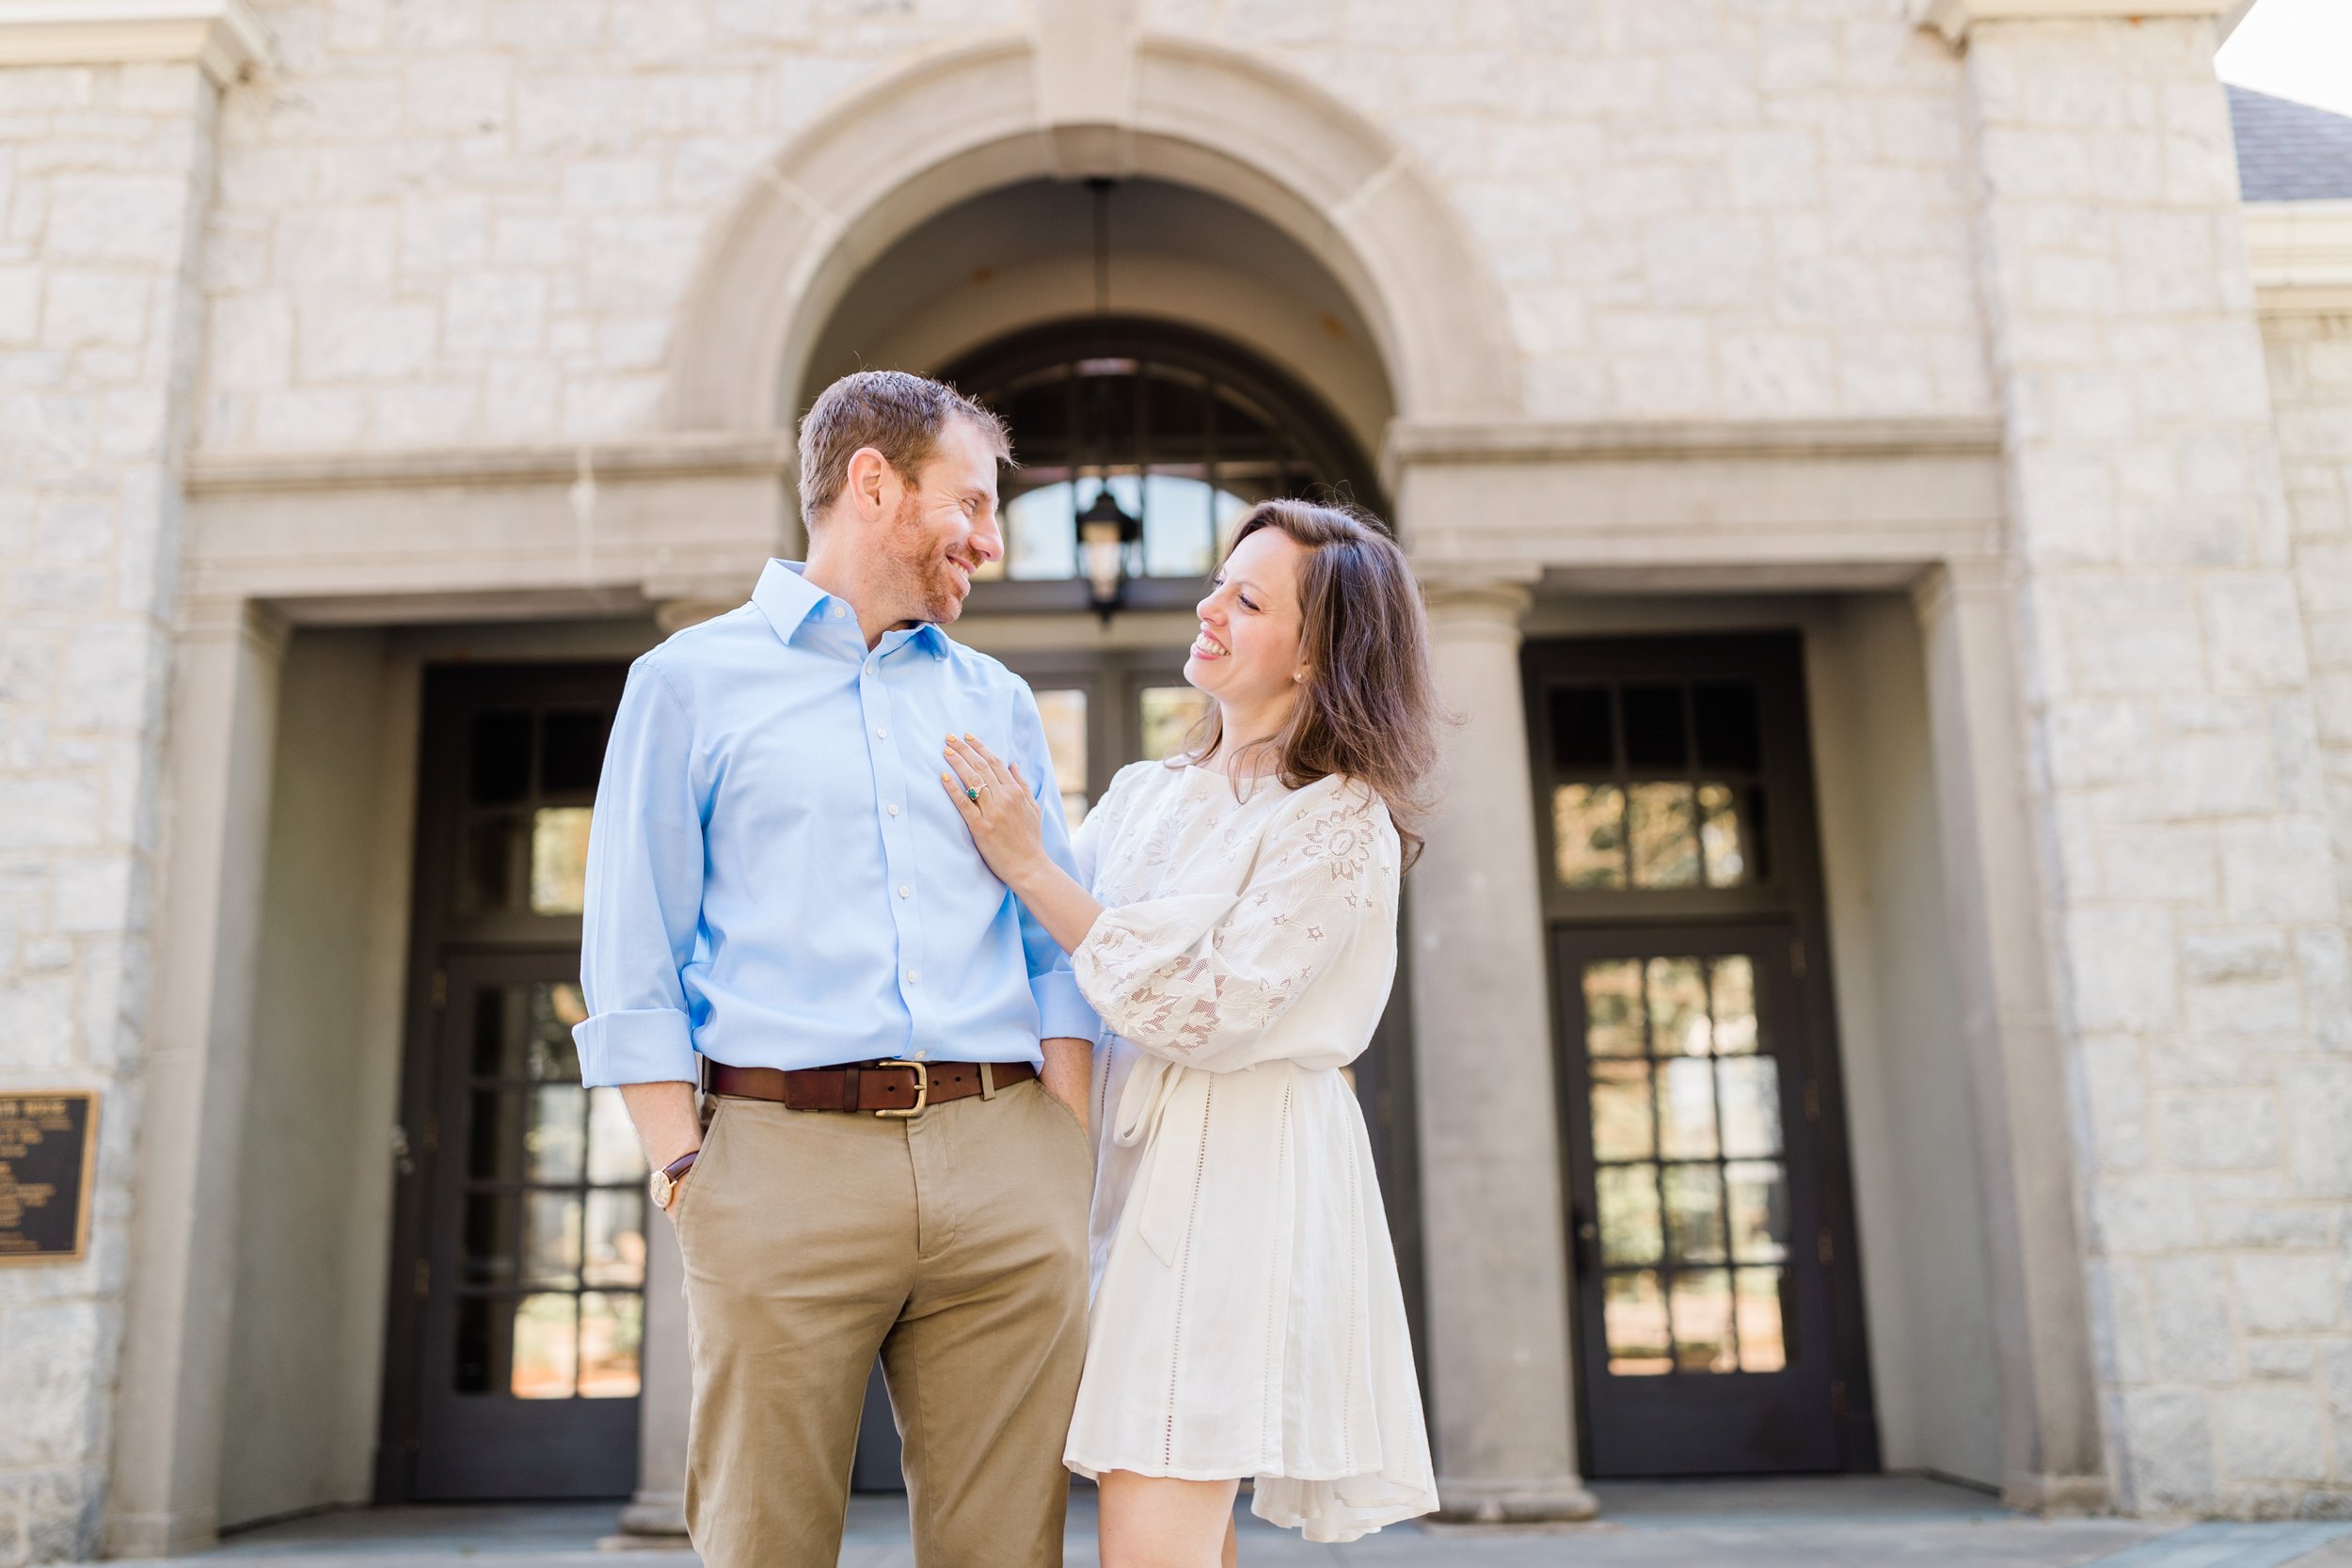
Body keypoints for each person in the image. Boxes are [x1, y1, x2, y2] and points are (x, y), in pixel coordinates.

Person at [572, 370, 1100, 1568]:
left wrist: (1061, 1142)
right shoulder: (686, 682)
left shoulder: (996, 699)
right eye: (968, 502)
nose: (990, 539)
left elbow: (1045, 940)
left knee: (1008, 1547)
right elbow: (630, 945)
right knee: (763, 1537)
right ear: (875, 484)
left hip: (1002, 1151)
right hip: (777, 1155)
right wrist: (682, 1163)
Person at [942, 499, 1444, 1566]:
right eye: (1221, 581)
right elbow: (1055, 972)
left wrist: (1032, 864)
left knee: (1154, 1503)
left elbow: (1206, 1010)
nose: (1209, 606)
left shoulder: (1337, 817)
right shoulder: (1137, 795)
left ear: (1317, 655)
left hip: (1237, 1178)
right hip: (1119, 1164)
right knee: (1173, 1511)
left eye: (1249, 598)